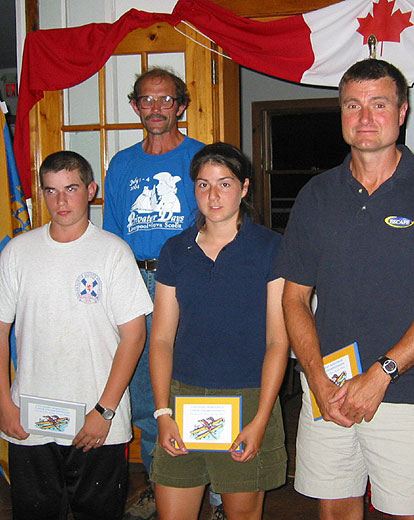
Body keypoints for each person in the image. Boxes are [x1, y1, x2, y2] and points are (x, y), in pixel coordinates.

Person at [273, 59, 414, 520]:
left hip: (407, 388)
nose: (365, 117)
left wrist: (382, 373)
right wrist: (316, 378)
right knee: (335, 511)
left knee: (410, 514)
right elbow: (294, 298)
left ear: (402, 112)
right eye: (353, 105)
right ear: (341, 114)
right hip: (329, 388)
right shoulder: (316, 195)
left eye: (379, 104)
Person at [0, 151, 153, 520]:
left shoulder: (114, 253)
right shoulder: (18, 252)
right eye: (51, 191)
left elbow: (134, 337)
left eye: (71, 188)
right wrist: (4, 404)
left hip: (96, 419)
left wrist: (104, 410)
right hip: (30, 419)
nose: (61, 201)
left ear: (91, 190)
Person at [148, 142, 289, 519]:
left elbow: (278, 341)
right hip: (182, 398)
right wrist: (162, 412)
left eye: (224, 184)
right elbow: (160, 339)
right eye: (203, 185)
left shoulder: (271, 247)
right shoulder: (175, 250)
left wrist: (260, 420)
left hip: (249, 398)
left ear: (244, 188)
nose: (213, 195)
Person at [103, 67, 212, 519]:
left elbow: (218, 222)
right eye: (146, 100)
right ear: (135, 106)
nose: (156, 108)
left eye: (166, 99)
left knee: (203, 387)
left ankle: (218, 495)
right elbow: (111, 237)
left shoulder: (201, 157)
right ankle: (158, 485)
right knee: (148, 398)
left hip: (187, 281)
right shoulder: (122, 164)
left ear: (181, 105)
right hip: (134, 282)